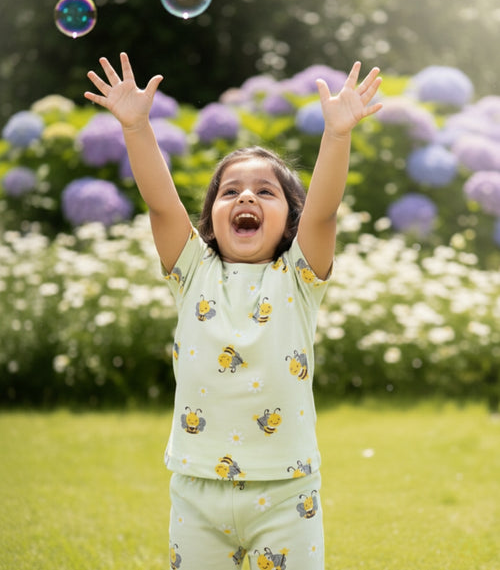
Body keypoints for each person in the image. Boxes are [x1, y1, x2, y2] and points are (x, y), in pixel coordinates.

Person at [84, 52, 382, 570]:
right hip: (197, 488)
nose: (246, 196)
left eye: (266, 191)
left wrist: (337, 134)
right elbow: (160, 204)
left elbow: (325, 209)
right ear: (211, 219)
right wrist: (136, 127)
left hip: (288, 491)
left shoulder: (299, 275)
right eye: (230, 192)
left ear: (290, 221)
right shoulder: (192, 269)